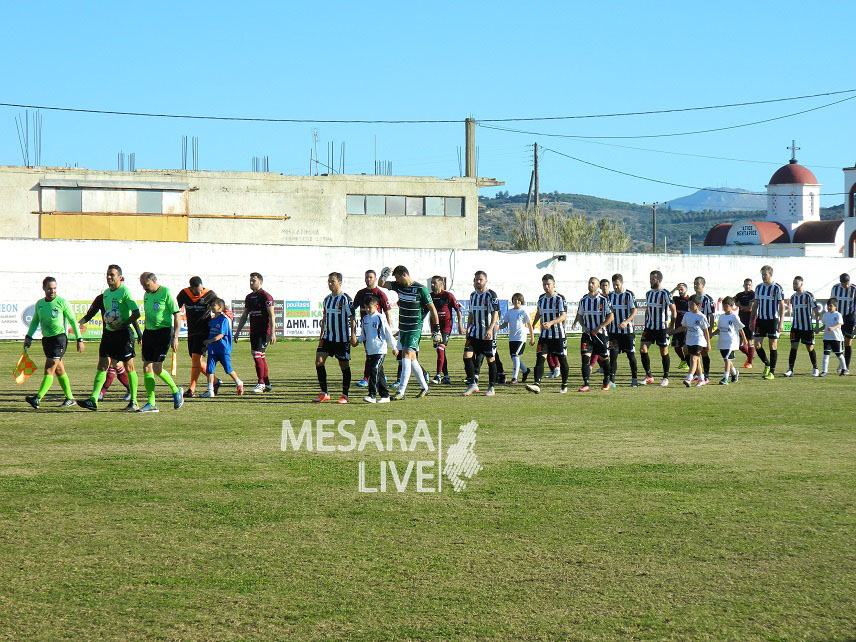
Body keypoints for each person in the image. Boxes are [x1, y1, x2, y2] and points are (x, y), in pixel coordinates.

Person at [77, 265, 141, 411]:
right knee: (102, 365)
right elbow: (91, 315)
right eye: (107, 274)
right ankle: (94, 399)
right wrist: (77, 325)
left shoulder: (125, 292)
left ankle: (134, 401)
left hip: (123, 334)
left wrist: (124, 325)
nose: (109, 277)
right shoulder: (105, 294)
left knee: (129, 366)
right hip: (108, 335)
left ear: (120, 277)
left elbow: (136, 313)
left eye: (112, 274)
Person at [378, 265, 440, 400]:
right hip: (403, 328)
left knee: (405, 354)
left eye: (397, 277)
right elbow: (381, 284)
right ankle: (425, 387)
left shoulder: (421, 289)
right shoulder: (399, 286)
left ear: (404, 274)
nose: (396, 281)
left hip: (414, 328)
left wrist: (437, 330)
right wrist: (385, 273)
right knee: (412, 359)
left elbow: (433, 310)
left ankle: (401, 391)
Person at [23, 277, 84, 409]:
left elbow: (73, 321)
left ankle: (37, 398)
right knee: (59, 370)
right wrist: (29, 336)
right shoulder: (39, 304)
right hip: (47, 340)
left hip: (59, 339)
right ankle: (70, 398)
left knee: (49, 368)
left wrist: (79, 339)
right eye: (50, 288)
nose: (53, 291)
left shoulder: (62, 302)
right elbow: (35, 321)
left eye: (55, 288)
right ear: (44, 288)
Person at [138, 272, 183, 413]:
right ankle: (151, 403)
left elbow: (177, 315)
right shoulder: (146, 295)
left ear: (153, 281)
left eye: (146, 285)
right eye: (142, 285)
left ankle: (176, 391)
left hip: (163, 333)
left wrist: (175, 337)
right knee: (146, 367)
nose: (144, 288)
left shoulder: (166, 292)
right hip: (149, 333)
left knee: (157, 368)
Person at [314, 272, 356, 403]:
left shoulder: (346, 299)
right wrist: (321, 336)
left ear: (340, 282)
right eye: (328, 281)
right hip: (327, 338)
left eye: (332, 281)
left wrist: (353, 335)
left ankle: (345, 395)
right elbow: (325, 318)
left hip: (342, 339)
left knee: (343, 365)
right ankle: (324, 392)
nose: (330, 283)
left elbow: (352, 318)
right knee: (319, 361)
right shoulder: (327, 299)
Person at [525, 274, 570, 394]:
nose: (546, 286)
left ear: (554, 284)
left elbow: (563, 316)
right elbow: (539, 313)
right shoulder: (541, 299)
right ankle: (537, 384)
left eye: (548, 284)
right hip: (544, 336)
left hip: (558, 335)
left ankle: (564, 384)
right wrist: (533, 324)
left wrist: (551, 323)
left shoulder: (560, 298)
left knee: (562, 359)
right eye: (544, 284)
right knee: (540, 359)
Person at [176, 276, 219, 398]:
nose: (200, 293)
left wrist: (221, 319)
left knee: (195, 359)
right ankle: (215, 381)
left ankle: (191, 389)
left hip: (205, 331)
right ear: (192, 288)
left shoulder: (209, 294)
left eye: (201, 290)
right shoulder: (184, 293)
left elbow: (219, 307)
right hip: (192, 331)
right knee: (196, 360)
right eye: (197, 291)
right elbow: (175, 309)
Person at [234, 272, 276, 393]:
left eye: (254, 281)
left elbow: (272, 316)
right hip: (254, 331)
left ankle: (261, 383)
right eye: (250, 281)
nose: (251, 283)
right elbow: (244, 315)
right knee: (259, 356)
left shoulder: (266, 296)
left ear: (260, 282)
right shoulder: (249, 297)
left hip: (264, 331)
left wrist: (273, 333)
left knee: (257, 355)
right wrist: (237, 332)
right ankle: (267, 383)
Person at [462, 270, 501, 397]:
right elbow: (471, 313)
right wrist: (468, 328)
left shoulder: (491, 295)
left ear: (485, 281)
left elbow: (495, 313)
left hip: (487, 334)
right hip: (474, 333)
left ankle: (491, 387)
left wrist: (490, 329)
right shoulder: (473, 295)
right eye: (476, 279)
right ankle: (473, 384)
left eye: (480, 279)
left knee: (491, 359)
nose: (478, 282)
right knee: (467, 356)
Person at [352, 270, 393, 388]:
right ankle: (380, 375)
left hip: (377, 330)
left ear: (375, 279)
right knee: (371, 353)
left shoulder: (380, 293)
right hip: (366, 328)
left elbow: (388, 312)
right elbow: (352, 309)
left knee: (373, 353)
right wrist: (353, 327)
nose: (368, 279)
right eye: (366, 277)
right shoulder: (360, 293)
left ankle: (366, 378)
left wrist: (388, 329)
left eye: (370, 277)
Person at [574, 276, 614, 392]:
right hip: (587, 335)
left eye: (593, 283)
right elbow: (580, 315)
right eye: (589, 283)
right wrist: (584, 326)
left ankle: (606, 380)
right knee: (585, 358)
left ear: (597, 286)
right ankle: (586, 383)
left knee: (604, 359)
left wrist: (599, 327)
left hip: (600, 335)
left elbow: (611, 316)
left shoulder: (604, 300)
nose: (590, 285)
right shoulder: (584, 300)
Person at [200, 298, 244, 397]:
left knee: (228, 369)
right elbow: (210, 334)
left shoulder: (224, 320)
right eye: (211, 305)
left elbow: (221, 335)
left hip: (223, 349)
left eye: (214, 305)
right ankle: (210, 390)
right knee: (210, 370)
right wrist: (206, 346)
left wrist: (209, 341)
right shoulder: (212, 320)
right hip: (212, 350)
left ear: (220, 307)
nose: (211, 307)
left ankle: (239, 382)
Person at [358, 295, 398, 403]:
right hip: (370, 351)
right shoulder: (365, 319)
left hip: (380, 350)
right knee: (379, 374)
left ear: (376, 306)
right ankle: (385, 396)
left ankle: (372, 395)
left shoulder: (380, 317)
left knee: (373, 370)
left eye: (369, 307)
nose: (367, 309)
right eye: (365, 307)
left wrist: (394, 347)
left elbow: (388, 333)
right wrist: (357, 341)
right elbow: (363, 335)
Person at [640, 270, 676, 387]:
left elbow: (674, 311)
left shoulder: (665, 293)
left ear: (659, 280)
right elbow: (648, 310)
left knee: (663, 351)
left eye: (653, 279)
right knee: (643, 349)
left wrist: (671, 327)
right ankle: (649, 376)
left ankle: (665, 377)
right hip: (650, 327)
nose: (650, 280)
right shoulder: (648, 293)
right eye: (650, 278)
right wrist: (646, 322)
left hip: (662, 328)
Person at [750, 265, 785, 380]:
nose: (763, 277)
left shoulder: (777, 288)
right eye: (762, 274)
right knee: (757, 344)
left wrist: (781, 322)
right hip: (761, 320)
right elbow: (755, 304)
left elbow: (781, 306)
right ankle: (767, 364)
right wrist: (752, 319)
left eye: (765, 274)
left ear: (770, 274)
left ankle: (772, 372)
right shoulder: (759, 287)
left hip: (773, 320)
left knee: (772, 345)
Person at [430, 275, 463, 384]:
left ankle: (438, 375)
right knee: (441, 352)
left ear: (441, 284)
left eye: (434, 283)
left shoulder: (448, 295)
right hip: (435, 327)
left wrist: (460, 325)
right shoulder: (430, 296)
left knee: (440, 349)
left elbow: (458, 310)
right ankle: (446, 376)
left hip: (446, 327)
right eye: (431, 282)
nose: (432, 285)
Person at [784, 276, 819, 378]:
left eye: (796, 283)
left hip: (807, 327)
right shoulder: (793, 297)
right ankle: (790, 370)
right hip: (795, 327)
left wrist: (816, 326)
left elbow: (816, 311)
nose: (794, 285)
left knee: (810, 347)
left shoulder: (808, 296)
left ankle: (815, 368)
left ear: (801, 284)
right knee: (793, 347)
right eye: (793, 283)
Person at [608, 273, 639, 387]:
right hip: (613, 333)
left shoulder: (629, 295)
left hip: (628, 333)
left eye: (617, 285)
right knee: (613, 355)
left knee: (631, 356)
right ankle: (612, 380)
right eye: (614, 285)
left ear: (621, 282)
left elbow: (634, 311)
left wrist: (626, 322)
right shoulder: (610, 296)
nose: (615, 287)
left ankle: (634, 379)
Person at [674, 295, 711, 388]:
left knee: (693, 358)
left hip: (699, 341)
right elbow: (684, 327)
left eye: (692, 304)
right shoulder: (687, 315)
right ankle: (701, 379)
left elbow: (706, 331)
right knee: (697, 361)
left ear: (698, 305)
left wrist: (708, 344)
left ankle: (689, 378)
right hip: (690, 340)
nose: (689, 306)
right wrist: (673, 332)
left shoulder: (701, 316)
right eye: (689, 304)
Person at [500, 293, 534, 383]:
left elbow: (530, 325)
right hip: (512, 338)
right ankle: (526, 370)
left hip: (521, 337)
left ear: (521, 301)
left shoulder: (523, 311)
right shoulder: (509, 312)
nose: (516, 301)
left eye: (518, 300)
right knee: (514, 357)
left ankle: (514, 378)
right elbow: (504, 324)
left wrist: (532, 338)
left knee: (515, 356)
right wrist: (496, 327)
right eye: (515, 299)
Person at [714, 296, 747, 385]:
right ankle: (735, 373)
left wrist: (744, 339)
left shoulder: (734, 316)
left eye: (726, 305)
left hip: (731, 342)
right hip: (722, 341)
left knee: (727, 359)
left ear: (731, 306)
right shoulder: (721, 317)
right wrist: (711, 335)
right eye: (723, 305)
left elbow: (740, 328)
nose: (724, 307)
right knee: (726, 359)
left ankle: (725, 378)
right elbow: (719, 329)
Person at [830, 273, 856, 370]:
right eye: (843, 283)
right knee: (837, 341)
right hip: (839, 317)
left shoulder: (854, 289)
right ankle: (842, 361)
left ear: (849, 281)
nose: (845, 285)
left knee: (848, 342)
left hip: (850, 317)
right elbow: (832, 302)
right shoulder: (835, 288)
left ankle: (845, 367)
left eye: (847, 283)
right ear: (840, 282)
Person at [693, 276, 716, 383]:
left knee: (704, 353)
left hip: (703, 331)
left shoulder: (708, 299)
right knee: (687, 350)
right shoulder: (692, 298)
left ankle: (705, 375)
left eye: (697, 283)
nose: (695, 285)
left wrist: (710, 331)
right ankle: (698, 373)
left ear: (703, 285)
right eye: (694, 283)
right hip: (693, 331)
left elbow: (712, 316)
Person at [820, 298, 847, 376]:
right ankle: (824, 371)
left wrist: (833, 328)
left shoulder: (838, 314)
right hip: (827, 338)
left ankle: (844, 369)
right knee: (826, 354)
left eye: (830, 306)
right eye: (828, 306)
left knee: (839, 355)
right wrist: (819, 329)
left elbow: (840, 324)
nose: (829, 307)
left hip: (836, 338)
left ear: (835, 307)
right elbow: (825, 325)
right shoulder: (825, 315)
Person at [734, 278, 756, 368]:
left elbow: (750, 308)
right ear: (743, 285)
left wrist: (741, 306)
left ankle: (749, 363)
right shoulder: (739, 294)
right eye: (746, 284)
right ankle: (750, 356)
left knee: (750, 341)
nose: (747, 286)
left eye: (749, 285)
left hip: (751, 320)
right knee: (739, 344)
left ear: (751, 285)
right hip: (741, 320)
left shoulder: (753, 294)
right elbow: (734, 302)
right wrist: (738, 304)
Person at [671, 283, 690, 371]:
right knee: (676, 346)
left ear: (686, 289)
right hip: (678, 326)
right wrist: (675, 288)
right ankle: (684, 361)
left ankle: (691, 365)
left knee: (687, 348)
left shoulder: (690, 300)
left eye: (681, 289)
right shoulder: (676, 299)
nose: (680, 290)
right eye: (679, 289)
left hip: (687, 328)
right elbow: (668, 296)